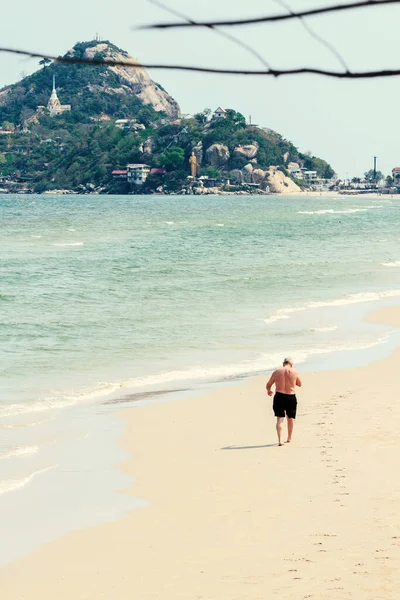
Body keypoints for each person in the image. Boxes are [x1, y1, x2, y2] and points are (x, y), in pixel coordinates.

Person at [266, 357, 302, 446]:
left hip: (279, 396)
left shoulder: (277, 372)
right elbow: (299, 384)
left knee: (280, 419)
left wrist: (269, 390)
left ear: (283, 363)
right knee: (290, 418)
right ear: (291, 364)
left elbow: (268, 384)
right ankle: (289, 438)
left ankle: (280, 440)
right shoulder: (294, 371)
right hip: (291, 396)